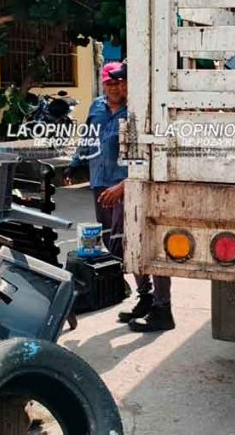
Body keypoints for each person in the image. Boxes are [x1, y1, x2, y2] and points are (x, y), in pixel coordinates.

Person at [64, 61, 174, 332]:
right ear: (104, 84)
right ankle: (145, 297)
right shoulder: (97, 107)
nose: (116, 87)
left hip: (130, 189)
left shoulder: (138, 111)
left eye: (121, 82)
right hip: (101, 185)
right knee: (120, 246)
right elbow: (89, 138)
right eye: (111, 83)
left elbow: (149, 157)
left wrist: (124, 187)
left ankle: (163, 307)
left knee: (143, 244)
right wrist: (75, 164)